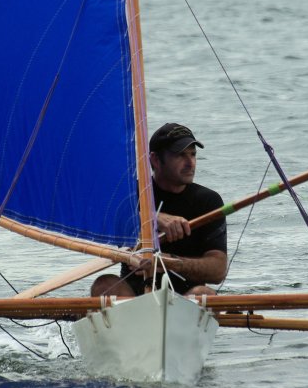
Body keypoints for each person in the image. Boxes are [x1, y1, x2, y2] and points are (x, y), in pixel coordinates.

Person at [91, 123, 227, 297]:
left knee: (203, 293)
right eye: (180, 155)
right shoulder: (131, 195)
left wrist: (168, 262)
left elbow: (218, 270)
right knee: (104, 284)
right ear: (155, 159)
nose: (190, 163)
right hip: (132, 297)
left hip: (186, 297)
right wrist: (151, 218)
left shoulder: (209, 201)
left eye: (193, 155)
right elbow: (99, 217)